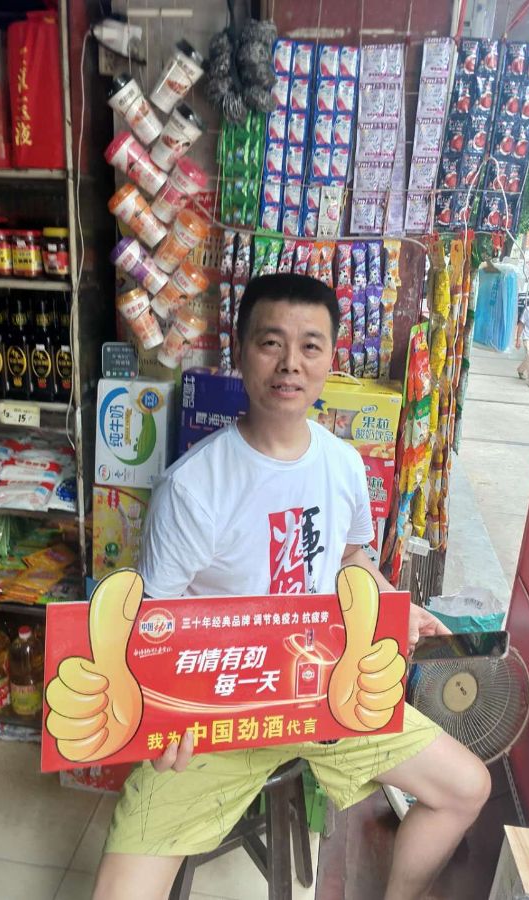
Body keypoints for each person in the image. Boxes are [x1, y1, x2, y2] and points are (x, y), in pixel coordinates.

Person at [92, 274, 491, 900]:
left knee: (467, 788)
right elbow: (150, 629)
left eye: (310, 346)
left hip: (323, 694)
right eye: (271, 342)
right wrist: (161, 723)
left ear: (331, 359)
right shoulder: (192, 488)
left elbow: (351, 557)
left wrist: (395, 609)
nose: (290, 364)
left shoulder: (344, 464)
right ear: (240, 352)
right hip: (217, 715)